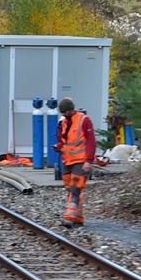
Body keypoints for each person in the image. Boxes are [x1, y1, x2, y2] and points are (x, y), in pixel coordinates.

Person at [53, 97, 106, 227]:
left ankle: (69, 217)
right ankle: (78, 217)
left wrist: (88, 161)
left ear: (71, 110)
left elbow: (91, 142)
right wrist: (59, 146)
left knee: (75, 188)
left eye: (65, 112)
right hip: (67, 161)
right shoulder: (63, 123)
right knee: (70, 188)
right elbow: (63, 141)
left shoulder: (84, 120)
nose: (64, 114)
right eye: (63, 113)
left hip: (81, 161)